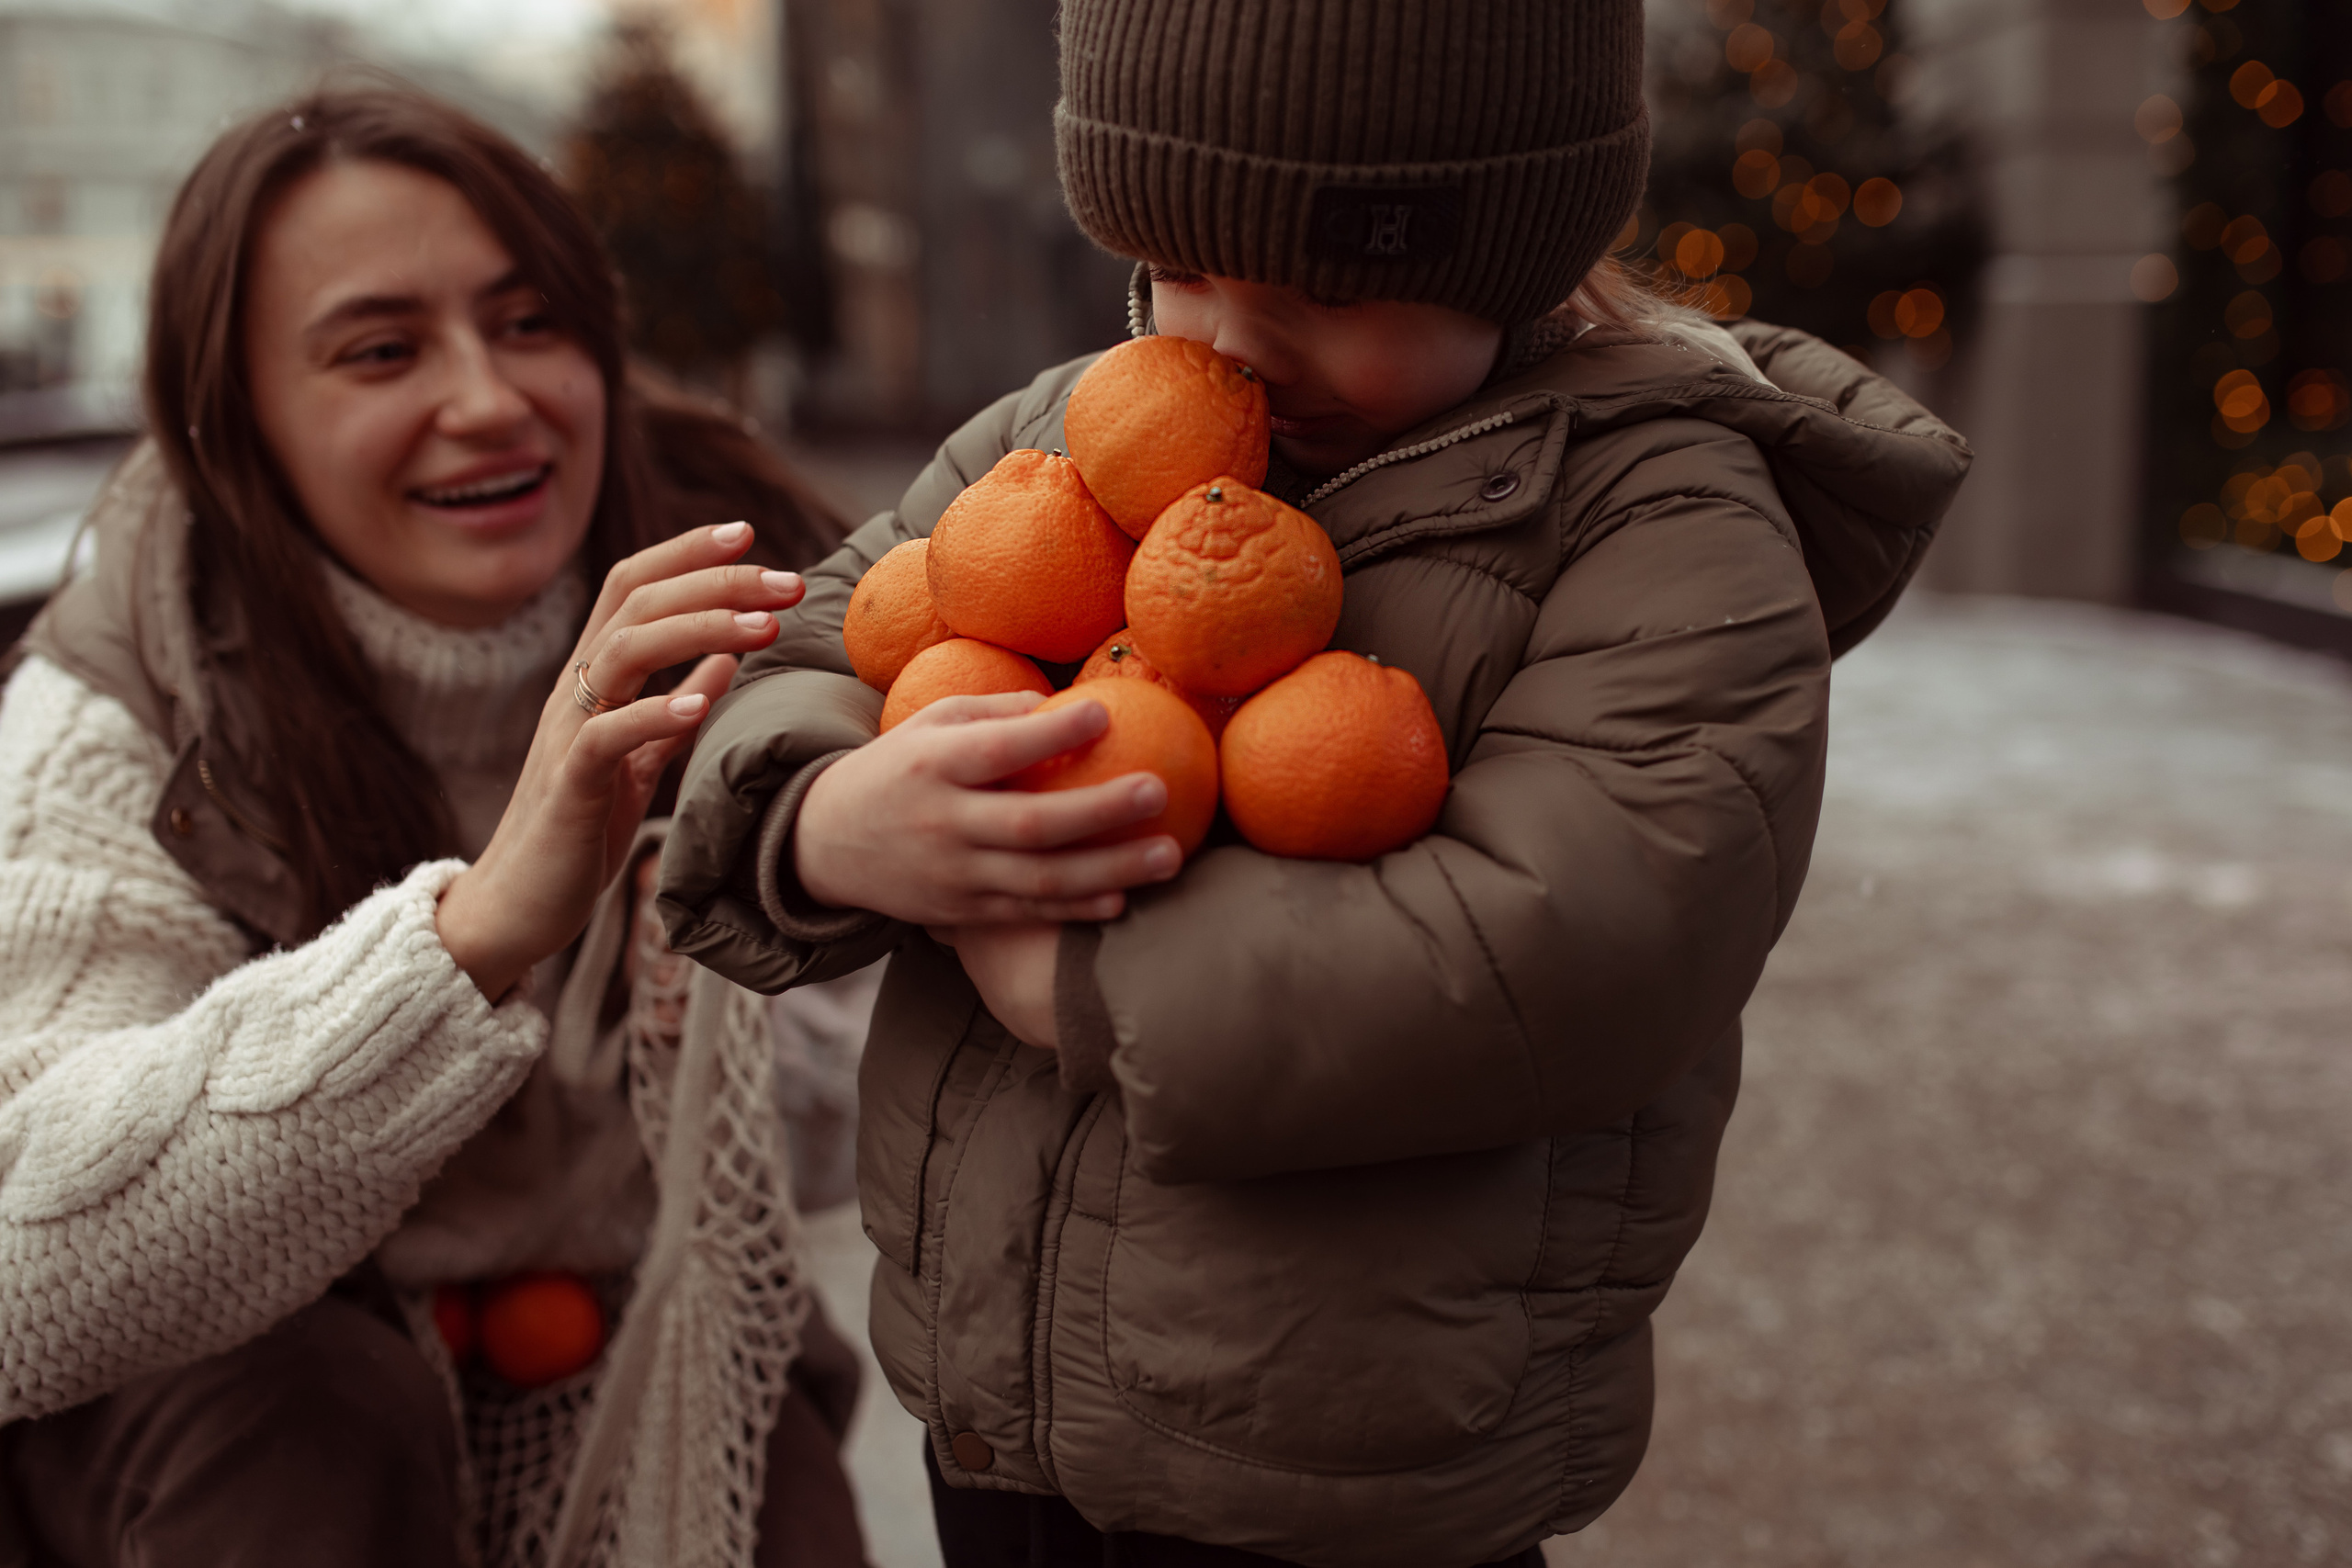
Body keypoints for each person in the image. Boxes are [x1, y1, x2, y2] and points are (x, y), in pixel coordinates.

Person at [658, 2, 1973, 1563]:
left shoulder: (1662, 523)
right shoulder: (1076, 437)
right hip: (1003, 1410)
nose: (1225, 343)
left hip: (1351, 1464)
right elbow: (823, 639)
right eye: (1180, 263)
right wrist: (823, 823)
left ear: (1514, 255)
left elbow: (1581, 938)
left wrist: (1079, 979)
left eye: (1331, 289)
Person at [0, 87, 869, 1568]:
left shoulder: (765, 597)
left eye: (532, 323)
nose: (488, 398)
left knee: (766, 1450)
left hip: (629, 1349)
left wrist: (743, 977)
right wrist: (476, 940)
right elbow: (27, 1267)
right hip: (252, 1418)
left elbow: (858, 1138)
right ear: (235, 416)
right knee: (314, 1414)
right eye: (382, 350)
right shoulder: (116, 698)